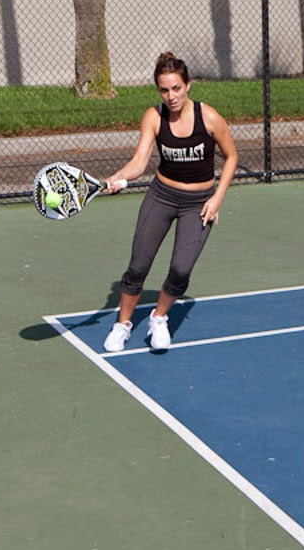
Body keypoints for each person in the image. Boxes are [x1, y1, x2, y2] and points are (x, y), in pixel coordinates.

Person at [102, 52, 239, 352]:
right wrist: (119, 178)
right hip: (162, 197)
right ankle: (122, 324)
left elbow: (232, 157)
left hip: (199, 202)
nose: (171, 96)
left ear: (188, 85)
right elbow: (139, 162)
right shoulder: (154, 117)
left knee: (180, 270)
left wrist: (217, 198)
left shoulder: (210, 117)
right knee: (138, 266)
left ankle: (159, 317)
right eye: (164, 90)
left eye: (176, 88)